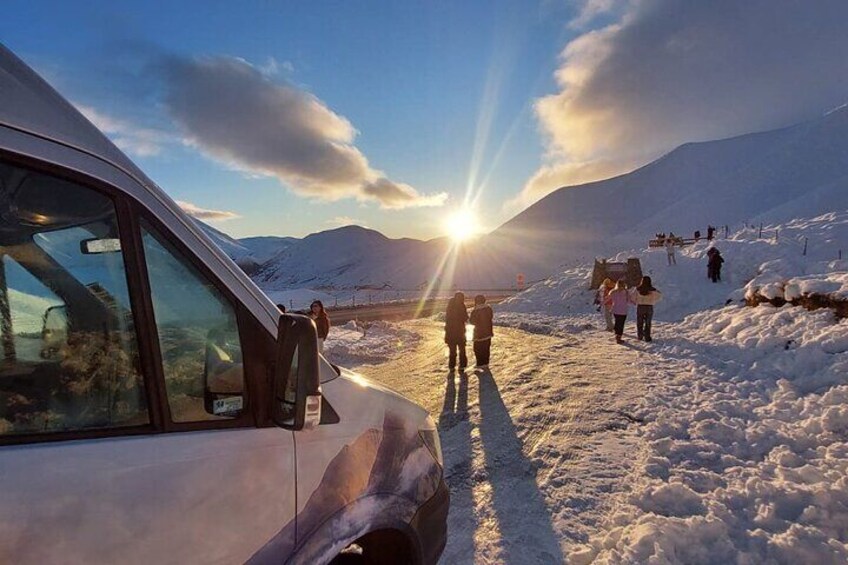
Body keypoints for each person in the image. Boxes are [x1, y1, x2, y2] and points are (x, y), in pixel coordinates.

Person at [632, 276, 662, 342]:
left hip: (640, 306)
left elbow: (632, 297)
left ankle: (640, 335)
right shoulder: (653, 290)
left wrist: (637, 301)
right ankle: (647, 336)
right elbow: (660, 296)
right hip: (649, 307)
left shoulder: (638, 289)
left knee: (640, 322)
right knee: (648, 322)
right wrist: (653, 300)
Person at [444, 292, 468, 370]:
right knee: (462, 349)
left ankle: (451, 366)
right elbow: (465, 317)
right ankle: (462, 365)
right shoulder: (462, 306)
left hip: (450, 332)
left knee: (452, 350)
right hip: (460, 331)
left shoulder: (450, 306)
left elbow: (447, 318)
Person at [469, 294, 494, 368]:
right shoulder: (489, 308)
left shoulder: (475, 311)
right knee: (486, 348)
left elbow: (472, 321)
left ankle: (480, 363)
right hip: (488, 331)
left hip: (479, 333)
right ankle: (485, 363)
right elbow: (491, 317)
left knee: (477, 348)